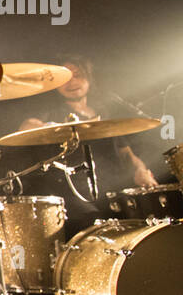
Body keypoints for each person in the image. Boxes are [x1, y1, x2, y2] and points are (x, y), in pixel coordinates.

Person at [19, 56, 158, 227]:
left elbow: (126, 153)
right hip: (73, 197)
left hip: (113, 192)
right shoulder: (51, 111)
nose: (72, 82)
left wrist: (141, 170)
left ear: (89, 78)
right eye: (66, 78)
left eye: (78, 75)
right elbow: (26, 127)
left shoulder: (104, 113)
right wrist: (52, 126)